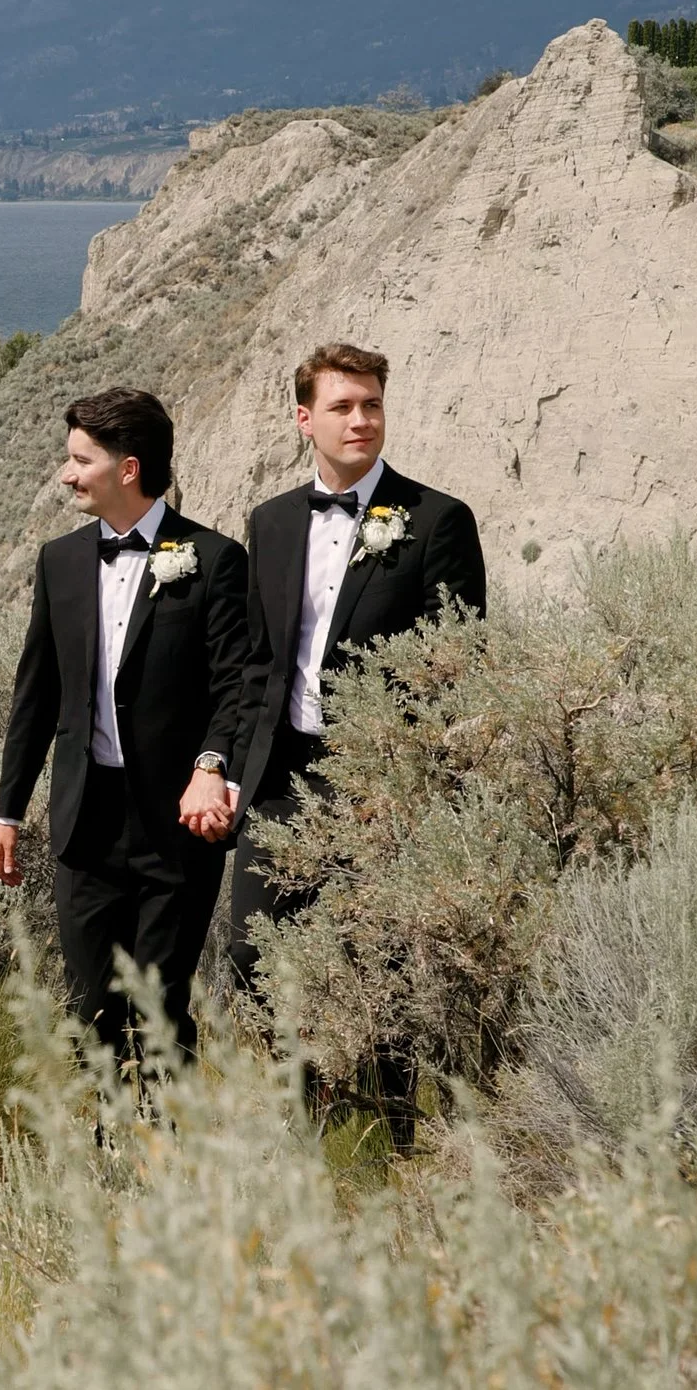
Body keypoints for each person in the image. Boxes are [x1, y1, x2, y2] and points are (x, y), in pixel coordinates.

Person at [229, 343, 487, 1146]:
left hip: (381, 777)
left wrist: (410, 780)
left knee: (382, 958)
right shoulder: (269, 523)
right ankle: (301, 1124)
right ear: (305, 419)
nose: (361, 419)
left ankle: (390, 1139)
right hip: (281, 777)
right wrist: (225, 767)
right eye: (342, 406)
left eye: (372, 403)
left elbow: (459, 662)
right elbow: (255, 662)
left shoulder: (438, 520)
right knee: (254, 951)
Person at [0, 387, 251, 1063]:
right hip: (85, 823)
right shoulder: (60, 561)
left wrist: (212, 766)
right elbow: (35, 695)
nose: (66, 474)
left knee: (160, 1012)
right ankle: (111, 1161)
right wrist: (8, 811)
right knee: (89, 1012)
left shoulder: (216, 561)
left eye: (81, 459)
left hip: (175, 829)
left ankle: (170, 1155)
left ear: (127, 468)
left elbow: (238, 687)